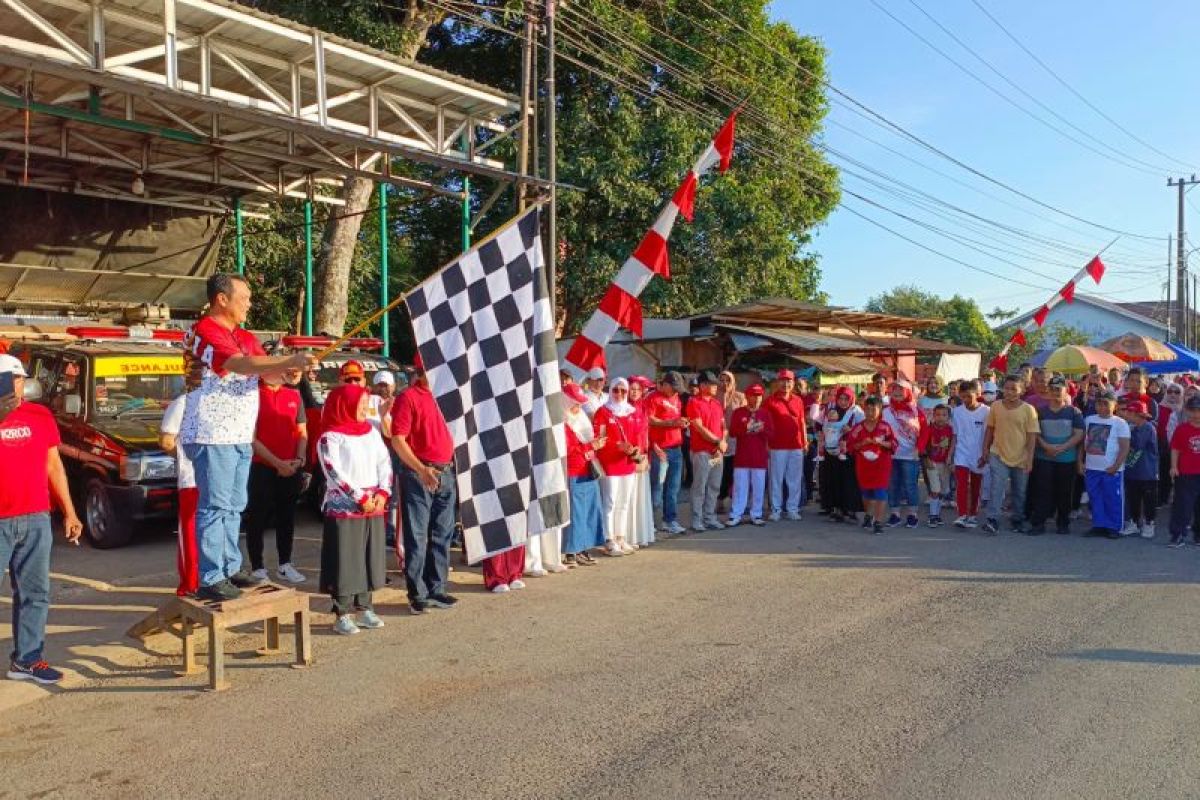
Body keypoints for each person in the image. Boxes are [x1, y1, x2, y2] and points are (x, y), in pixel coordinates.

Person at [181, 274, 314, 602]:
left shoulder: (243, 335)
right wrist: (287, 360)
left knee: (235, 505)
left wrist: (289, 373)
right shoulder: (205, 331)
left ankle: (230, 565)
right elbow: (239, 365)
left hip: (239, 432)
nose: (250, 304)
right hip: (212, 431)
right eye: (245, 297)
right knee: (216, 505)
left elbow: (264, 371)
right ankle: (212, 576)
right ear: (221, 299)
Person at [0, 354, 83, 684]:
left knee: (35, 593)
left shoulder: (39, 415)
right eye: (12, 379)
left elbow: (54, 466)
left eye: (19, 379)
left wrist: (70, 512)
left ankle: (27, 660)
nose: (19, 385)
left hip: (35, 517)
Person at [316, 384, 392, 635]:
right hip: (346, 507)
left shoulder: (370, 431)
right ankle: (342, 613)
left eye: (364, 404)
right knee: (346, 560)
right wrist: (359, 497)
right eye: (358, 404)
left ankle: (365, 607)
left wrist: (383, 492)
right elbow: (334, 471)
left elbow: (384, 461)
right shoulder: (329, 437)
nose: (363, 409)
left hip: (373, 505)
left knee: (368, 556)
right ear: (343, 405)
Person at [391, 354, 459, 614]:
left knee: (442, 533)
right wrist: (420, 469)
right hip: (419, 471)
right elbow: (398, 439)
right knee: (417, 535)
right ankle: (417, 593)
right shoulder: (408, 397)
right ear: (423, 370)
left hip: (446, 471)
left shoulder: (447, 396)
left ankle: (436, 587)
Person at [244, 369, 308, 583]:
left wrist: (299, 459)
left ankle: (285, 563)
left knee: (287, 517)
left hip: (291, 466)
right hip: (262, 466)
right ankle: (257, 567)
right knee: (257, 517)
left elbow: (302, 432)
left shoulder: (294, 395)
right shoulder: (252, 395)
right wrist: (277, 463)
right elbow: (251, 438)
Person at [980, 375, 1040, 535]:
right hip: (998, 453)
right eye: (1007, 388)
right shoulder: (996, 406)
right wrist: (985, 449)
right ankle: (992, 519)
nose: (1009, 392)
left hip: (1021, 456)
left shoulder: (1028, 409)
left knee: (1019, 491)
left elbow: (1032, 435)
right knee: (996, 488)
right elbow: (990, 429)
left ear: (1022, 390)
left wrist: (1030, 458)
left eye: (1014, 389)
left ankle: (1018, 519)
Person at [1027, 376, 1084, 536]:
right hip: (1043, 458)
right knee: (1042, 491)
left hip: (1066, 459)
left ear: (1066, 391)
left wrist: (1062, 448)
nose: (1055, 392)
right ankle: (1038, 523)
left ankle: (1063, 523)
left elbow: (1079, 434)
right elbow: (1035, 432)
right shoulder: (1040, 412)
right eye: (1052, 389)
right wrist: (1046, 446)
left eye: (1059, 389)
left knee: (1064, 492)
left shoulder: (1074, 412)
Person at [593, 378, 643, 554]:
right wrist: (617, 446)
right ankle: (608, 538)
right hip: (610, 464)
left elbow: (638, 436)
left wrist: (636, 450)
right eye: (616, 390)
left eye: (623, 390)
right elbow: (600, 439)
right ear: (611, 391)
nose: (620, 394)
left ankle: (621, 537)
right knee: (610, 501)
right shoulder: (603, 412)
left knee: (624, 501)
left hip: (628, 463)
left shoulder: (633, 412)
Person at [560, 382, 606, 567]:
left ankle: (583, 547)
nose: (578, 407)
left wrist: (594, 445)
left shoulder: (581, 420)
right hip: (573, 472)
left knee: (589, 511)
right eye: (575, 403)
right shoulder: (562, 423)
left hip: (588, 469)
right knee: (576, 512)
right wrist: (591, 446)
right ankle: (571, 551)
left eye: (579, 403)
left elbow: (584, 444)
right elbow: (568, 450)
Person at [160, 391, 199, 596]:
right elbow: (167, 442)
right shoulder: (183, 402)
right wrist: (186, 458)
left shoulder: (187, 401)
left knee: (203, 533)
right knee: (192, 534)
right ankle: (191, 585)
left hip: (212, 479)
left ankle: (203, 583)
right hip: (194, 480)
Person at [1079, 389, 1131, 539]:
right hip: (1092, 467)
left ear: (1114, 405)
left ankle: (1114, 526)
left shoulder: (1120, 423)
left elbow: (1124, 447)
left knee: (1112, 497)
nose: (1102, 407)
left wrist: (1116, 465)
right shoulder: (1089, 420)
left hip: (1111, 469)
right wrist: (1080, 462)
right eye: (1099, 404)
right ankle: (1099, 525)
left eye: (1106, 404)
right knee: (1095, 497)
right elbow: (1083, 443)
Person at [846, 396, 896, 535]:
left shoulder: (885, 427)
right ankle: (869, 515)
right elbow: (850, 446)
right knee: (866, 493)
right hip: (864, 465)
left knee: (880, 492)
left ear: (880, 410)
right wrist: (862, 443)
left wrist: (880, 443)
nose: (870, 412)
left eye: (873, 409)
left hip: (882, 465)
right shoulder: (858, 428)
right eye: (867, 409)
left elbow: (893, 444)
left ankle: (878, 522)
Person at [686, 370, 728, 532]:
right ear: (702, 385)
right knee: (699, 486)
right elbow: (699, 427)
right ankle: (697, 520)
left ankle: (709, 517)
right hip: (702, 451)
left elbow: (724, 426)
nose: (715, 387)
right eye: (712, 384)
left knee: (714, 486)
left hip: (717, 451)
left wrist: (722, 441)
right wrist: (718, 441)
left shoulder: (717, 404)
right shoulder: (693, 403)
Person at [764, 368, 807, 521]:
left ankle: (792, 509)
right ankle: (776, 509)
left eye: (788, 381)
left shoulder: (798, 400)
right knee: (776, 479)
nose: (785, 383)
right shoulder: (770, 401)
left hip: (796, 445)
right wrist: (767, 444)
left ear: (793, 383)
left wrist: (805, 441)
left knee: (794, 479)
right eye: (783, 380)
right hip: (777, 446)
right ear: (778, 382)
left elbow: (801, 421)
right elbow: (766, 424)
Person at [648, 371, 688, 536]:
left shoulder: (677, 398)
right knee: (657, 488)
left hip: (676, 448)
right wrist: (672, 422)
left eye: (678, 388)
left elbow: (675, 418)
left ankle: (669, 520)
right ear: (664, 384)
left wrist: (681, 423)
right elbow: (649, 419)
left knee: (673, 488)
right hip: (660, 450)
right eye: (674, 387)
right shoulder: (653, 398)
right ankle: (651, 522)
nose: (676, 391)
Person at [883, 382, 928, 529]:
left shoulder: (917, 411)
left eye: (900, 390)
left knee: (910, 486)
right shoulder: (885, 411)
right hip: (891, 455)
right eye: (894, 389)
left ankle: (912, 515)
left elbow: (925, 432)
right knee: (893, 485)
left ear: (908, 392)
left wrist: (919, 448)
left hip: (910, 455)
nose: (897, 392)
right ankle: (895, 514)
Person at [817, 386, 864, 523]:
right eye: (841, 398)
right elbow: (818, 423)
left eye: (846, 399)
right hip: (831, 452)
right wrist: (820, 432)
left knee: (849, 481)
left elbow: (863, 428)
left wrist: (851, 430)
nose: (843, 402)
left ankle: (850, 509)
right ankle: (836, 508)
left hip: (847, 452)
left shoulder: (856, 412)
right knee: (833, 480)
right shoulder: (829, 409)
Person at [727, 384, 772, 526]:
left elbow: (771, 433)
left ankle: (756, 514)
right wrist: (745, 428)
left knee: (759, 487)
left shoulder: (765, 413)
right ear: (747, 396)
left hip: (759, 457)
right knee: (740, 487)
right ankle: (736, 514)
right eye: (754, 395)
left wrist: (761, 428)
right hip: (742, 457)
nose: (757, 398)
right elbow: (733, 432)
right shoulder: (739, 412)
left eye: (759, 395)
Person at [951, 380, 989, 529]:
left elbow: (989, 434)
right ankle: (962, 515)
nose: (966, 400)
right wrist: (950, 454)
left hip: (979, 454)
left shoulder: (987, 411)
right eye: (963, 397)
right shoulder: (957, 412)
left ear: (977, 394)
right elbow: (955, 435)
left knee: (975, 486)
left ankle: (972, 514)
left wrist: (985, 453)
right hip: (962, 454)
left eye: (969, 396)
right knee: (961, 483)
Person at [1120, 400, 1158, 539]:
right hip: (1133, 471)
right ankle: (1135, 523)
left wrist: (1127, 434)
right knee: (1133, 498)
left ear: (1139, 415)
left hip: (1147, 472)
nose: (1127, 414)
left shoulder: (1148, 427)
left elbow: (1137, 444)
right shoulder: (1132, 427)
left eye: (1130, 412)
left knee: (1148, 499)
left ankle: (1149, 523)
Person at [626, 377, 656, 548]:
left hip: (643, 457)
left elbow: (646, 435)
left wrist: (646, 456)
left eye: (639, 389)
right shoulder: (625, 409)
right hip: (630, 459)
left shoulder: (644, 408)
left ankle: (641, 533)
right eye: (633, 388)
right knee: (629, 498)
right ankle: (629, 536)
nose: (635, 391)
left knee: (641, 497)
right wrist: (635, 456)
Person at [1168, 395, 1200, 548]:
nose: (1196, 414)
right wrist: (1173, 466)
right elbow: (1175, 449)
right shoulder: (1182, 429)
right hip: (1186, 473)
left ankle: (1198, 535)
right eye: (1192, 410)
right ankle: (1178, 534)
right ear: (1186, 411)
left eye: (1199, 411)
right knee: (1182, 505)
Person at [716, 370, 746, 512]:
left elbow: (746, 415)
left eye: (728, 380)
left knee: (735, 472)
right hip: (717, 439)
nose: (725, 383)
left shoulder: (739, 397)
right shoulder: (714, 396)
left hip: (736, 440)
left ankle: (736, 501)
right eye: (721, 380)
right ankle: (719, 500)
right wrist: (722, 397)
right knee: (720, 472)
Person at [923, 404, 954, 527]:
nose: (940, 417)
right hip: (932, 463)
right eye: (937, 415)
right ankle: (933, 515)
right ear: (933, 416)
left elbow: (952, 445)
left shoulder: (950, 430)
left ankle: (937, 514)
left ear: (948, 417)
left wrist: (951, 459)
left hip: (945, 464)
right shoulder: (929, 429)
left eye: (944, 415)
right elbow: (923, 446)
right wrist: (926, 459)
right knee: (935, 489)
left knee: (944, 490)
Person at [1157, 381, 1182, 505]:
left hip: (1182, 449)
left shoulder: (1185, 410)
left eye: (1177, 392)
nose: (1173, 394)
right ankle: (1163, 498)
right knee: (1164, 473)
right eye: (1170, 391)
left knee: (1181, 476)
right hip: (1164, 446)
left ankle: (1179, 499)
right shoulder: (1160, 407)